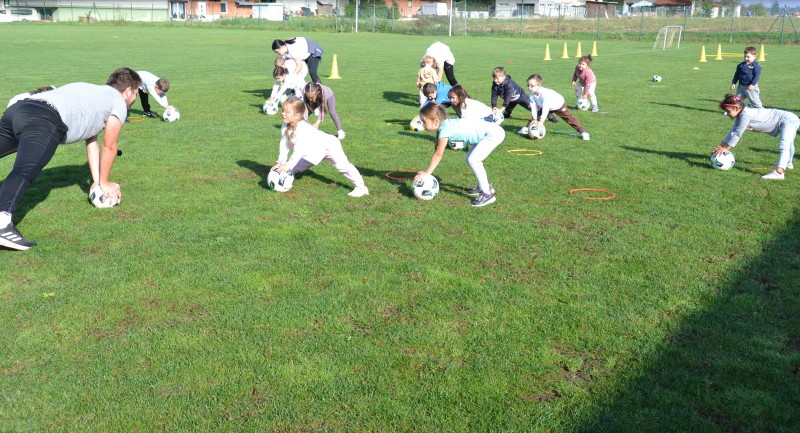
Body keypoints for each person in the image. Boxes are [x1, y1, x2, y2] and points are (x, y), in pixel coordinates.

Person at [0, 68, 141, 250]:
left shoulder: (94, 94)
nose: (135, 99)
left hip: (19, 110)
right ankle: (2, 224)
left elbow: (91, 141)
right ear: (128, 91)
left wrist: (98, 181)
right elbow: (110, 146)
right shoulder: (118, 102)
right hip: (44, 119)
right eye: (136, 93)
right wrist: (106, 183)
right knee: (25, 169)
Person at [413, 101, 505, 207]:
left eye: (424, 122)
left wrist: (427, 173)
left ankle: (487, 194)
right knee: (469, 158)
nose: (423, 125)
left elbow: (438, 154)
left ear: (436, 121)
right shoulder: (446, 124)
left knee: (473, 160)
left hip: (493, 134)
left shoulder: (445, 130)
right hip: (489, 133)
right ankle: (484, 186)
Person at [273, 98, 368, 197]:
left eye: (287, 112)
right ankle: (285, 182)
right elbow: (284, 143)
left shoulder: (302, 128)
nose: (283, 114)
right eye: (283, 110)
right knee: (293, 169)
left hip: (329, 145)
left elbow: (298, 150)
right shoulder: (285, 125)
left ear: (297, 115)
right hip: (313, 152)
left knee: (343, 167)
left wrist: (288, 165)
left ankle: (361, 188)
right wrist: (281, 162)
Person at [712, 94, 798, 180]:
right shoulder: (741, 114)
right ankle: (788, 163)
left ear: (736, 108)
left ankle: (779, 173)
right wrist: (720, 147)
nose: (727, 114)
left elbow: (738, 133)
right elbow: (733, 131)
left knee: (784, 145)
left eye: (728, 111)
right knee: (789, 144)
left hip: (788, 120)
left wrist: (726, 148)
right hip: (789, 118)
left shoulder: (746, 114)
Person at [526, 74, 590, 141]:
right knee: (535, 117)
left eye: (532, 86)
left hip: (558, 105)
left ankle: (583, 132)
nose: (529, 88)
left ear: (539, 85)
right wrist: (535, 119)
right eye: (528, 85)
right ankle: (527, 128)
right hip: (546, 106)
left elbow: (545, 109)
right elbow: (533, 107)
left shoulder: (545, 94)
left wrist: (541, 121)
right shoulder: (532, 94)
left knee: (569, 119)